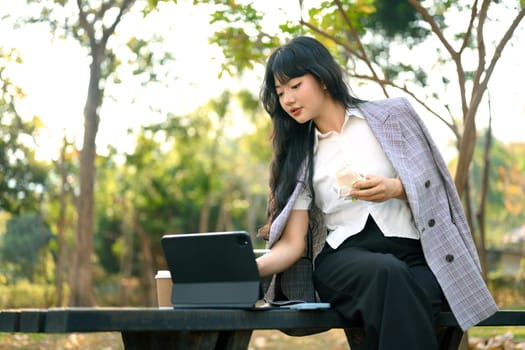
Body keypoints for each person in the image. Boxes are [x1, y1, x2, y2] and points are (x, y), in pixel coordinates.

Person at [255, 36, 497, 350]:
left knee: (398, 296)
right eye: (280, 92)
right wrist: (248, 268)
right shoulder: (298, 155)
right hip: (343, 260)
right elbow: (292, 244)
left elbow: (440, 192)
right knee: (388, 277)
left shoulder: (393, 117)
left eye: (295, 85)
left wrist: (395, 188)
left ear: (323, 78)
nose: (288, 99)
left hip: (416, 256)